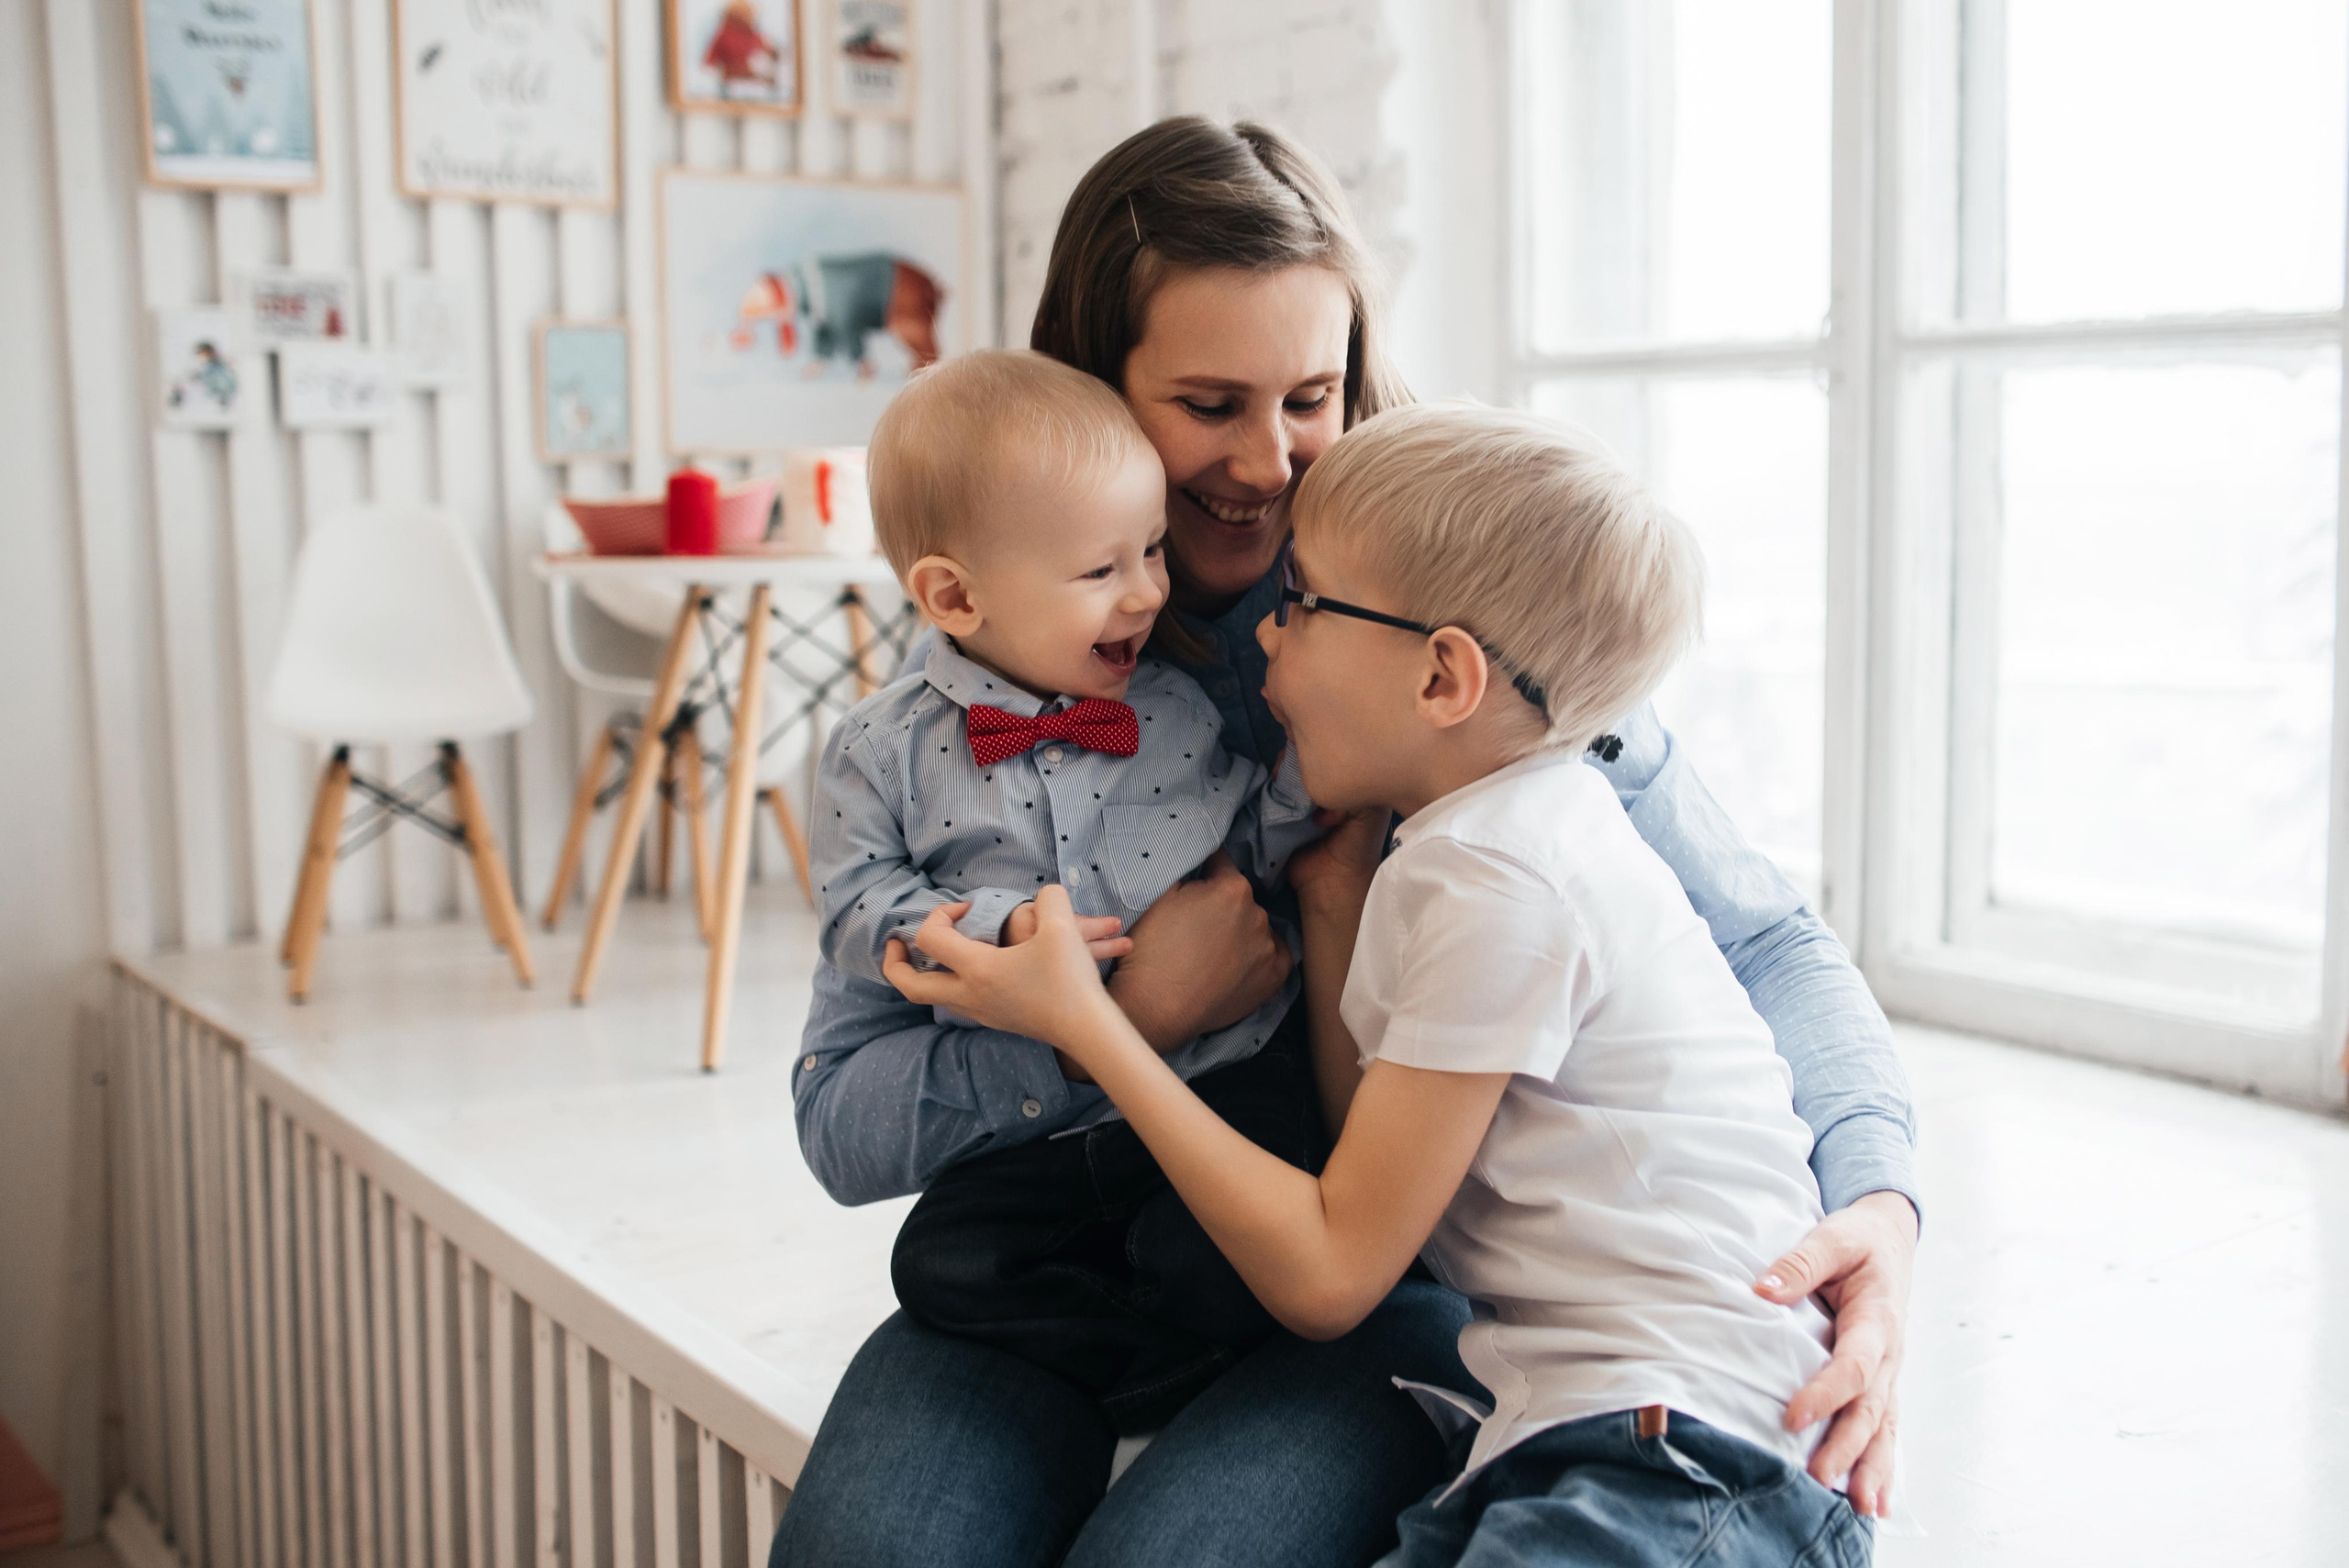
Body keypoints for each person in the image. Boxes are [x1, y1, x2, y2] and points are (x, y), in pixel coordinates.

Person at [774, 117, 1916, 1568]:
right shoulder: (977, 679)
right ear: (1098, 393)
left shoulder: (1450, 634)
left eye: (1312, 395)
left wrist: (1878, 1202)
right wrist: (1116, 1017)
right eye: (1210, 403)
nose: (1271, 460)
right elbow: (841, 1105)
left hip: (1355, 1286)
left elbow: (1761, 939)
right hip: (1031, 1279)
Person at [884, 400, 1876, 1568]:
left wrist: (1094, 1029)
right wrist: (1335, 890)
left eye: (1301, 603)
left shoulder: (1501, 876)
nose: (1266, 640)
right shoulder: (1479, 837)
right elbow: (1376, 1157)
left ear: (1443, 676)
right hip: (1592, 1442)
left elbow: (1331, 1274)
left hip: (1687, 1461)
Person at [810, 350, 1321, 1433]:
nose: (1149, 589)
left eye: (1148, 550)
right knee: (942, 1256)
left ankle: (1192, 1357)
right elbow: (856, 904)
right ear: (954, 594)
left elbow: (1246, 849)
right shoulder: (879, 750)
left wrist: (1318, 790)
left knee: (1229, 1232)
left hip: (1210, 1089)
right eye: (1103, 571)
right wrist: (998, 940)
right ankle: (1126, 1369)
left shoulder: (1177, 710)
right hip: (1042, 1138)